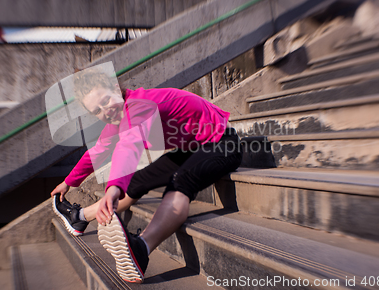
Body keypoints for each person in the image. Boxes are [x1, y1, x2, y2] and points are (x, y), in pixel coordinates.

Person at [51, 69, 242, 283]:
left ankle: (142, 248)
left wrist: (113, 188)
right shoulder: (118, 118)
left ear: (116, 89)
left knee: (180, 180)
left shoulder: (140, 105)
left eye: (106, 101)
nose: (106, 110)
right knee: (137, 181)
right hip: (191, 148)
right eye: (98, 110)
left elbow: (129, 147)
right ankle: (79, 217)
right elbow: (97, 152)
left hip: (222, 142)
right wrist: (68, 182)